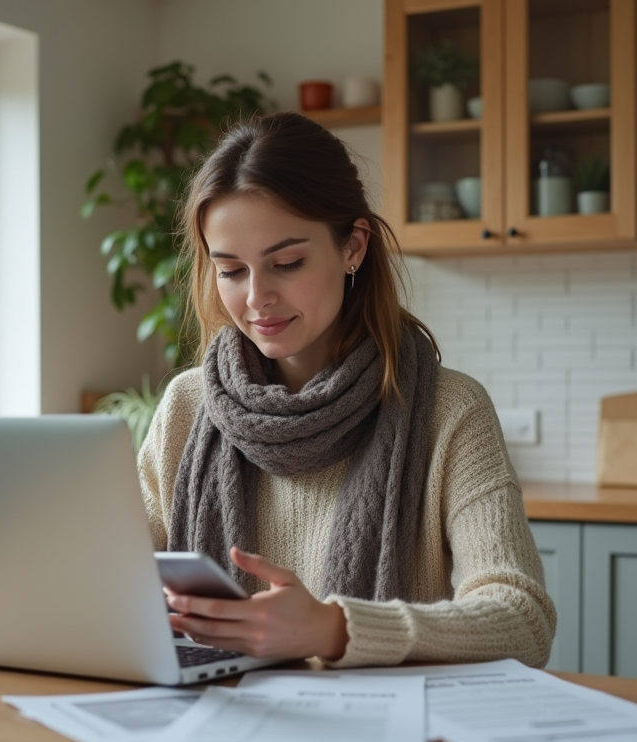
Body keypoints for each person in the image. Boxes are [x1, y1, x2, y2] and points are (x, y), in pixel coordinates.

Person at [137, 111, 555, 668]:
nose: (257, 297)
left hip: (381, 716)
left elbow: (523, 619)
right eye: (231, 270)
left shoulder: (450, 411)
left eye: (287, 263)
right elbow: (110, 577)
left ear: (353, 246)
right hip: (217, 710)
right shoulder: (187, 406)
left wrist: (335, 630)